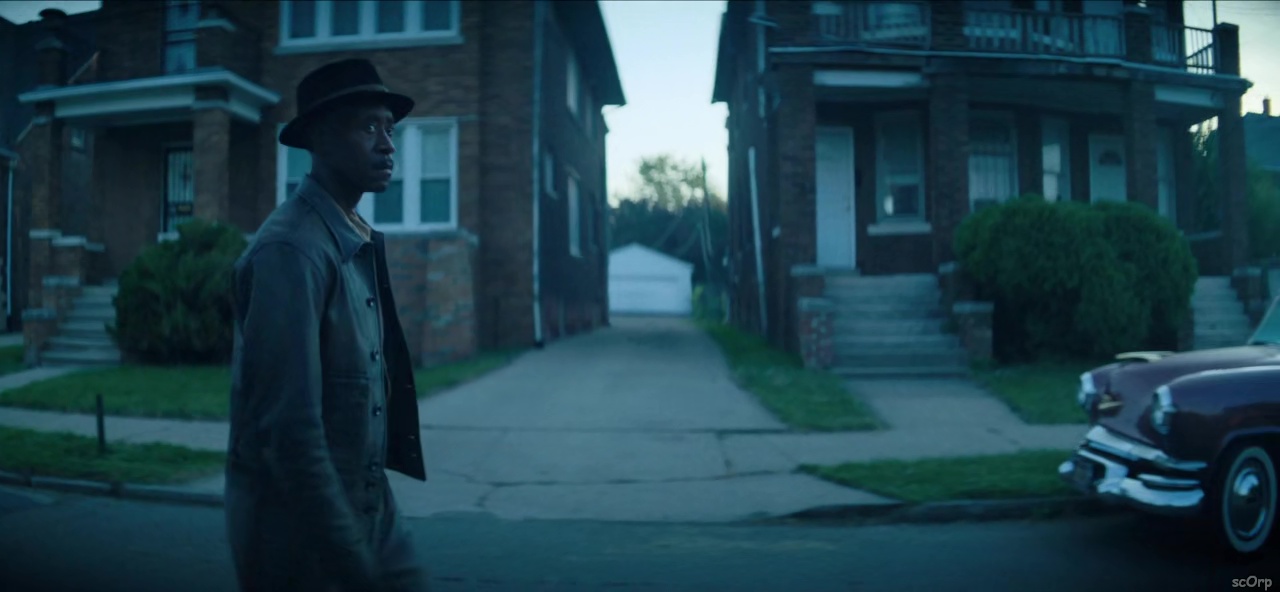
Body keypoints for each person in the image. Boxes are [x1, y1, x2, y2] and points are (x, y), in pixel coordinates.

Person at [223, 58, 430, 592]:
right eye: (368, 127)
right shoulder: (291, 252)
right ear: (319, 138)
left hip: (369, 509)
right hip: (301, 535)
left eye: (390, 128)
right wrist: (351, 562)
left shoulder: (350, 235)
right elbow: (289, 434)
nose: (388, 145)